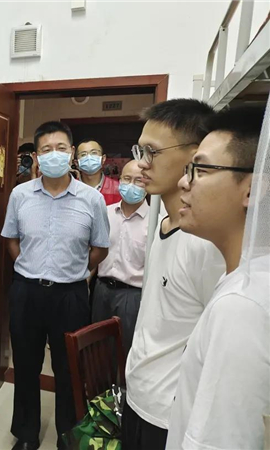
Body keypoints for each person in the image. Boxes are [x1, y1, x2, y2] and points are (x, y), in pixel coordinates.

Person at [123, 99, 226, 450]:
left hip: (169, 415)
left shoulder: (206, 244)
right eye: (140, 150)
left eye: (152, 152)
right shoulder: (164, 223)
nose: (141, 163)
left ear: (195, 157)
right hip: (140, 394)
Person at [1, 121, 110, 450]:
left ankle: (67, 434)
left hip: (70, 295)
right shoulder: (20, 195)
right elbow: (11, 240)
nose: (54, 155)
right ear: (36, 156)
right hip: (27, 291)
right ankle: (26, 434)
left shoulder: (91, 199)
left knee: (69, 369)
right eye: (46, 149)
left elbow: (99, 249)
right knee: (26, 365)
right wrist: (32, 268)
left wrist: (74, 270)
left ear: (71, 153)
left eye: (60, 148)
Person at [167, 105, 270, 449]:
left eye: (201, 169)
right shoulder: (249, 281)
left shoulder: (242, 306)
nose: (183, 182)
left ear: (252, 190)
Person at [91, 160, 149, 353]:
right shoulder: (105, 213)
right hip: (101, 290)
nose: (131, 185)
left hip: (132, 295)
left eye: (138, 180)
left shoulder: (155, 222)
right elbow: (94, 252)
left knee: (125, 350)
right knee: (97, 348)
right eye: (126, 178)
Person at [76, 139, 122, 205]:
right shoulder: (69, 188)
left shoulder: (118, 188)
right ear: (76, 162)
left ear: (103, 159)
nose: (89, 157)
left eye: (94, 153)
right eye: (83, 154)